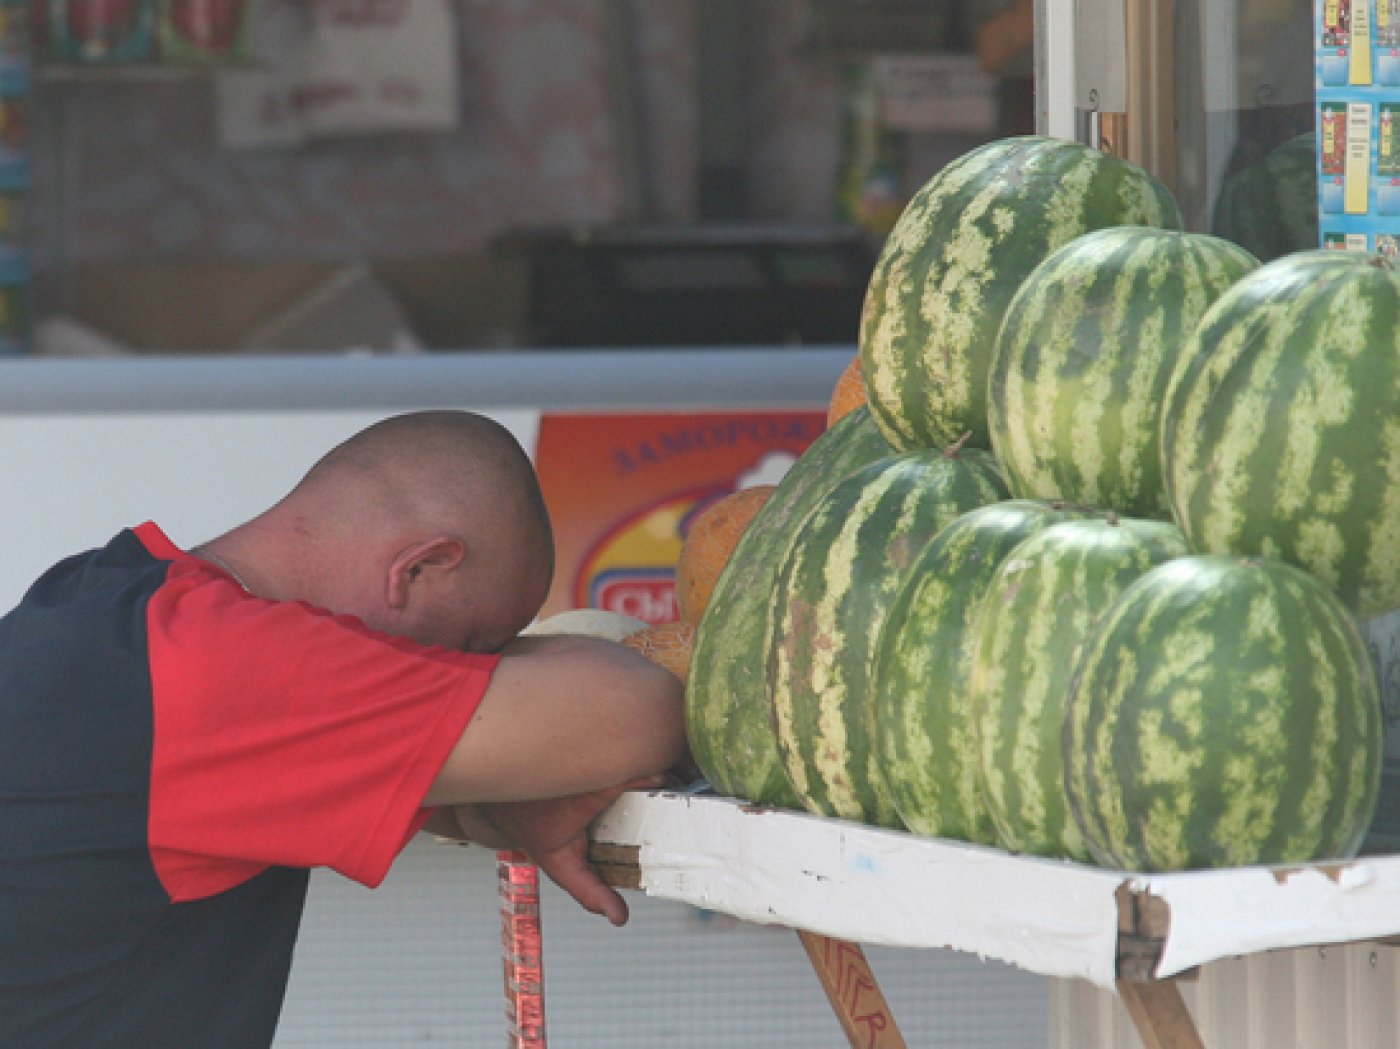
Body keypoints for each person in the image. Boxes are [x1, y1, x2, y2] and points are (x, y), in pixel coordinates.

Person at [0, 410, 687, 1048]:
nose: (469, 672)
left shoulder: (101, 592)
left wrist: (515, 794)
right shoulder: (227, 669)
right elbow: (639, 707)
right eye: (478, 645)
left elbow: (455, 786)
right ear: (422, 567)